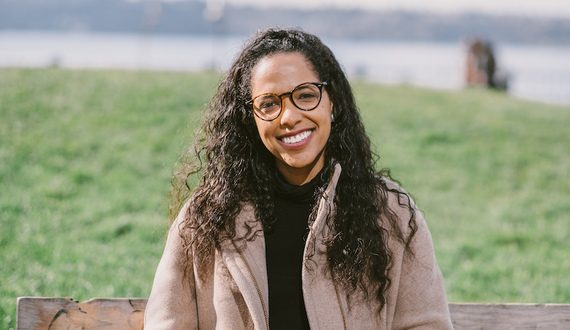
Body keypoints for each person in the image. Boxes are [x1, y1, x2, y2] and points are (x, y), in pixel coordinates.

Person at [144, 27, 453, 329]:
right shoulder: (207, 217)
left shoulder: (391, 214)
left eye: (305, 95)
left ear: (333, 102)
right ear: (249, 119)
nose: (289, 117)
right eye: (268, 104)